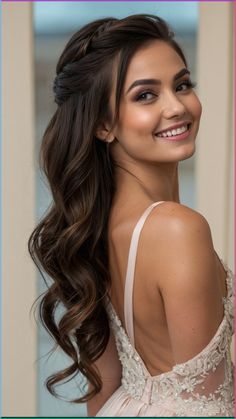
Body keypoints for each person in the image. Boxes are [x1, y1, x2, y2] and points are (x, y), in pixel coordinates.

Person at [28, 14, 234, 417]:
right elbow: (209, 406)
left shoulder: (97, 228)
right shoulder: (178, 228)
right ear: (103, 124)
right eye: (145, 95)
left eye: (182, 84)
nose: (177, 106)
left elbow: (101, 394)